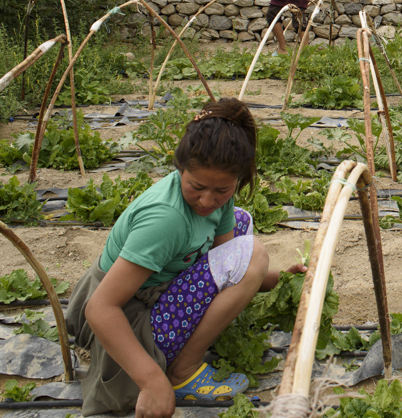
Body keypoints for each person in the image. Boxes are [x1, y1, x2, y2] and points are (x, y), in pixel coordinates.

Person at [65, 98, 306, 417]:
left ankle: (180, 357)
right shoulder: (165, 219)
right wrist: (151, 381)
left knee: (242, 227)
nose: (208, 200)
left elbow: (227, 262)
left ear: (236, 179)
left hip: (149, 296)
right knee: (252, 253)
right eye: (197, 187)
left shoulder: (219, 199)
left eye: (222, 190)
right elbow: (100, 308)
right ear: (181, 168)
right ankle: (181, 371)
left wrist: (281, 279)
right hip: (117, 322)